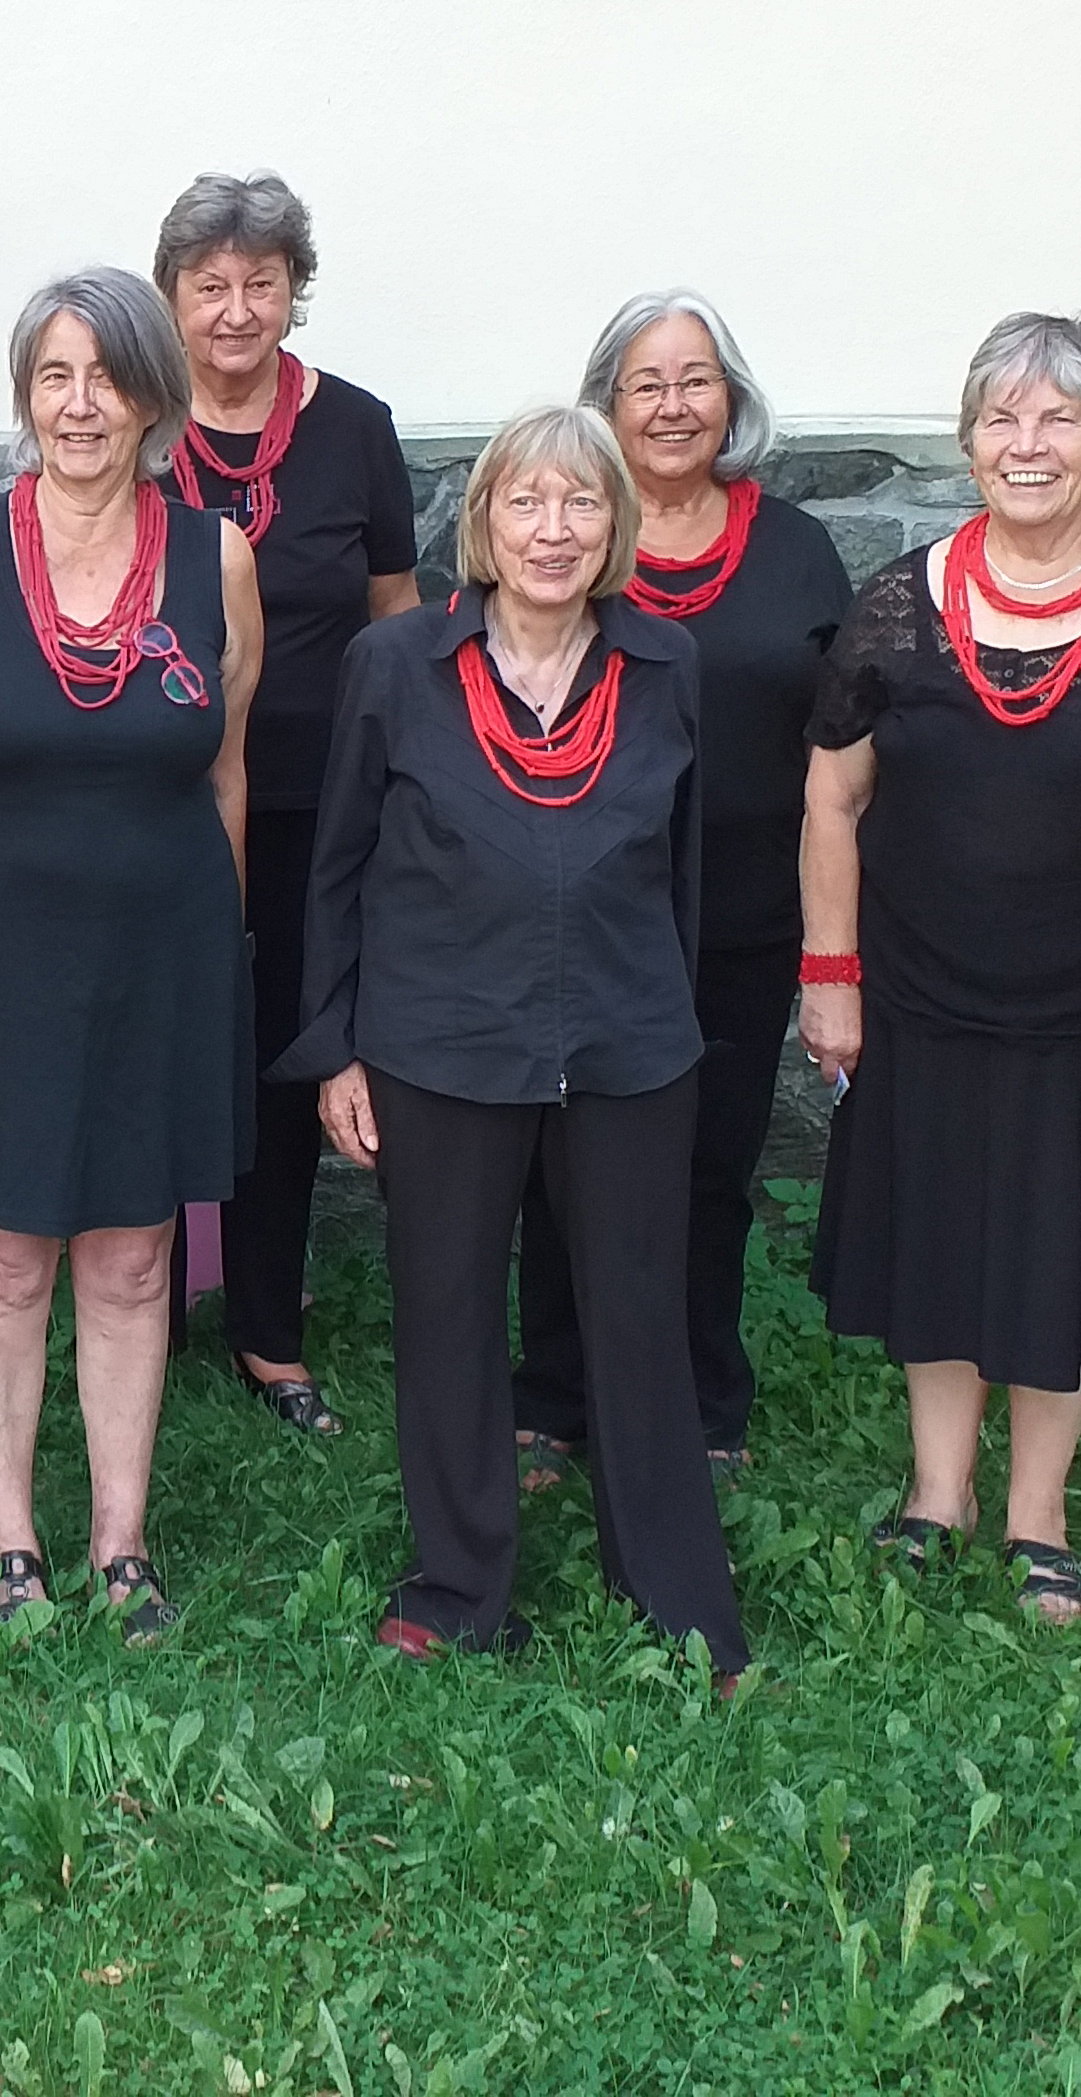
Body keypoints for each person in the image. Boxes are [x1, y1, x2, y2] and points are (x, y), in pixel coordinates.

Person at [280, 405, 748, 1685]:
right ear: (481, 521)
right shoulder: (397, 669)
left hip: (627, 1045)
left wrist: (663, 1018)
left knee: (638, 1320)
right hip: (440, 1043)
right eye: (526, 503)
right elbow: (341, 870)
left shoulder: (665, 667)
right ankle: (459, 1583)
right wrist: (338, 1046)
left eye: (582, 505)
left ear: (617, 526)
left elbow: (682, 871)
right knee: (445, 1315)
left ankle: (671, 1589)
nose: (553, 530)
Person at [799, 314, 1081, 1622]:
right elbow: (831, 794)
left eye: (1059, 418)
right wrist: (831, 972)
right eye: (1000, 417)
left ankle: (1037, 1506)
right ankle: (941, 1490)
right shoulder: (896, 601)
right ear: (969, 439)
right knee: (934, 1239)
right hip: (923, 990)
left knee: (1069, 1254)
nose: (1025, 443)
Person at [0, 268, 260, 1641]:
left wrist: (229, 966)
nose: (80, 404)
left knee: (135, 1255)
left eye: (106, 376)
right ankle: (14, 1538)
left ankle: (124, 1539)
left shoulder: (216, 559)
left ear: (154, 395)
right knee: (1, 1252)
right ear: (27, 396)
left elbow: (228, 777)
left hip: (162, 949)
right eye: (53, 376)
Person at [508, 294, 849, 1489]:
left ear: (731, 400)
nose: (671, 405)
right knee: (561, 1160)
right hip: (587, 914)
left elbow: (838, 753)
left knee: (711, 1161)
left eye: (694, 380)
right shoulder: (568, 538)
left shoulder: (799, 548)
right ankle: (552, 1395)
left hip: (741, 919)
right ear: (608, 403)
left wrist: (831, 943)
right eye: (645, 383)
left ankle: (702, 1391)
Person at [148, 172, 418, 1437]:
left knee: (288, 1058)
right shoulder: (137, 431)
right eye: (211, 286)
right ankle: (138, 1304)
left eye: (263, 283)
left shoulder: (357, 430)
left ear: (294, 294)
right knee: (159, 1049)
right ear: (172, 298)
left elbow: (399, 624)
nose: (238, 309)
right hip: (155, 801)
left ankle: (266, 1325)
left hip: (320, 807)